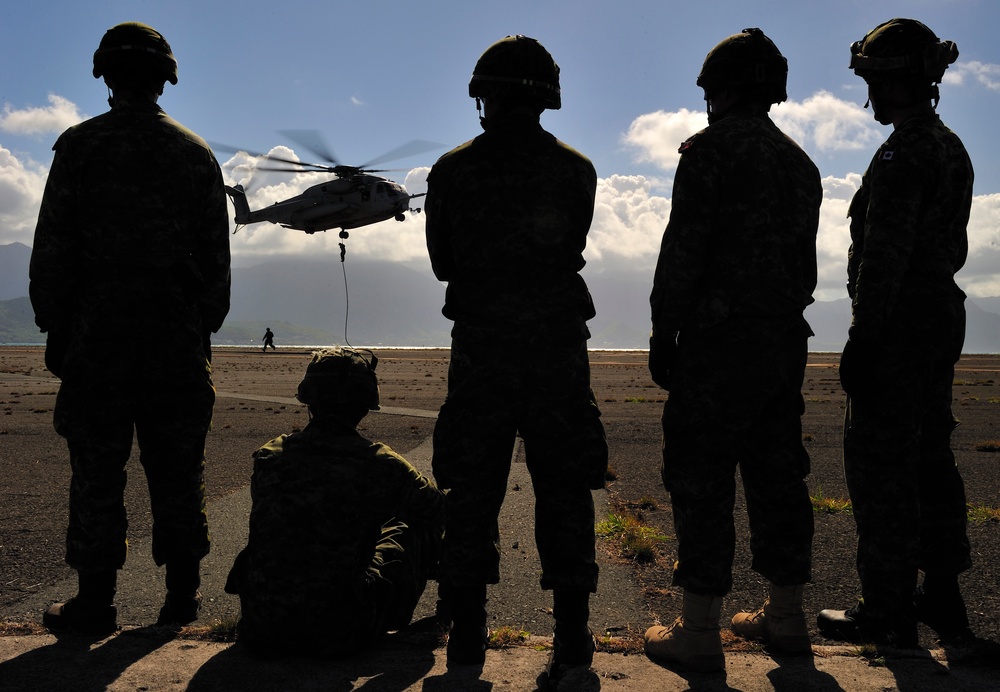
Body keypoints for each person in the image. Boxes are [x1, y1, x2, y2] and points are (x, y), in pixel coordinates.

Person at [28, 21, 231, 635]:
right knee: (179, 469)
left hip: (98, 334)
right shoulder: (195, 154)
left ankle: (95, 603)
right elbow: (216, 264)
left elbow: (53, 247)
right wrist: (198, 329)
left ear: (106, 76)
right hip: (174, 334)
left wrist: (57, 325)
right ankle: (181, 599)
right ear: (165, 79)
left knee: (97, 472)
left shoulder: (80, 147)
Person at [424, 35, 609, 672]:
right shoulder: (577, 169)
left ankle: (467, 634)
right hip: (558, 347)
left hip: (483, 345)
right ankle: (572, 636)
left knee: (471, 488)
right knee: (565, 487)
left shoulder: (453, 169)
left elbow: (442, 261)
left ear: (485, 96)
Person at [643, 28, 821, 671]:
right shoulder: (800, 162)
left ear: (717, 90)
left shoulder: (709, 151)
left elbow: (684, 249)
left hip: (717, 345)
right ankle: (787, 619)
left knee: (702, 478)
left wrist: (664, 330)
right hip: (782, 341)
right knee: (780, 477)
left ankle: (698, 631)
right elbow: (805, 264)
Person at [816, 18, 974, 648]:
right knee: (932, 458)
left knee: (882, 466)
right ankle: (943, 596)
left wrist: (864, 336)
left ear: (899, 81)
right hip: (938, 317)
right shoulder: (951, 146)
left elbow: (885, 253)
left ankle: (886, 608)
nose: (871, 95)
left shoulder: (904, 151)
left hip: (899, 324)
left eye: (876, 82)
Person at [224, 348, 444, 657]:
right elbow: (439, 508)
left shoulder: (270, 456)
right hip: (341, 632)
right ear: (365, 404)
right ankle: (462, 607)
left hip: (261, 628)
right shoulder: (379, 463)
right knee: (412, 524)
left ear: (309, 400)